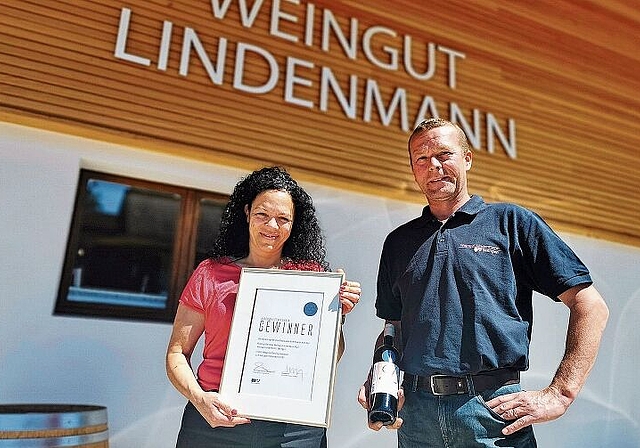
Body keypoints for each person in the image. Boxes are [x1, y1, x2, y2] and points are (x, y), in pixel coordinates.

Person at [357, 118, 609, 447]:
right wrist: (380, 378)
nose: (433, 166)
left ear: (468, 158)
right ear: (412, 169)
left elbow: (590, 304)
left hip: (490, 413)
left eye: (444, 154)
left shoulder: (512, 223)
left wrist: (561, 392)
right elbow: (393, 328)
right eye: (421, 158)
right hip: (416, 418)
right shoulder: (398, 243)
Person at [167, 166, 361, 448]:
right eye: (262, 214)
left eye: (283, 219)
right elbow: (176, 353)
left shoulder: (311, 277)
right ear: (246, 213)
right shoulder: (210, 274)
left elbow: (329, 359)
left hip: (294, 428)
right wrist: (200, 399)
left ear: (294, 224)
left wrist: (335, 317)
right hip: (213, 419)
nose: (272, 226)